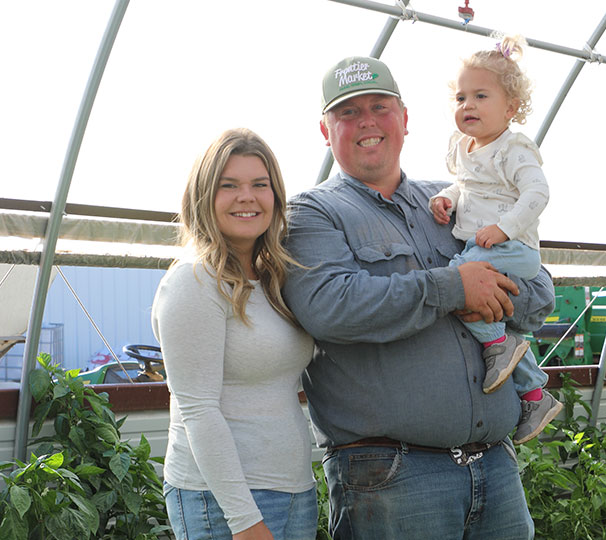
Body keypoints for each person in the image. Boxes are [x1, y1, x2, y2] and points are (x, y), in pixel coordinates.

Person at [281, 55, 555, 539]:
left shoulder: (453, 200)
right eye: (347, 112)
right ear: (325, 131)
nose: (367, 121)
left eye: (379, 106)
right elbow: (332, 308)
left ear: (405, 120)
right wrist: (454, 287)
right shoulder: (312, 214)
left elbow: (540, 293)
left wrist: (489, 294)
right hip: (392, 479)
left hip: (494, 466)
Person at [151, 128, 317, 540]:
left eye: (260, 185)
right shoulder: (195, 280)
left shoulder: (271, 278)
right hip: (224, 502)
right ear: (204, 197)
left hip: (293, 490)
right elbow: (198, 410)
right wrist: (244, 521)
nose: (248, 197)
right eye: (230, 186)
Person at [430, 34, 562, 445]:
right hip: (486, 247)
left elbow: (538, 194)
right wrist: (446, 198)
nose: (467, 105)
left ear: (511, 107)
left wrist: (504, 227)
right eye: (460, 97)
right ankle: (535, 394)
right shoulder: (465, 149)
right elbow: (464, 186)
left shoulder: (513, 149)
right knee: (484, 310)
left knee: (456, 284)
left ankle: (501, 347)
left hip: (514, 249)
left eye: (480, 96)